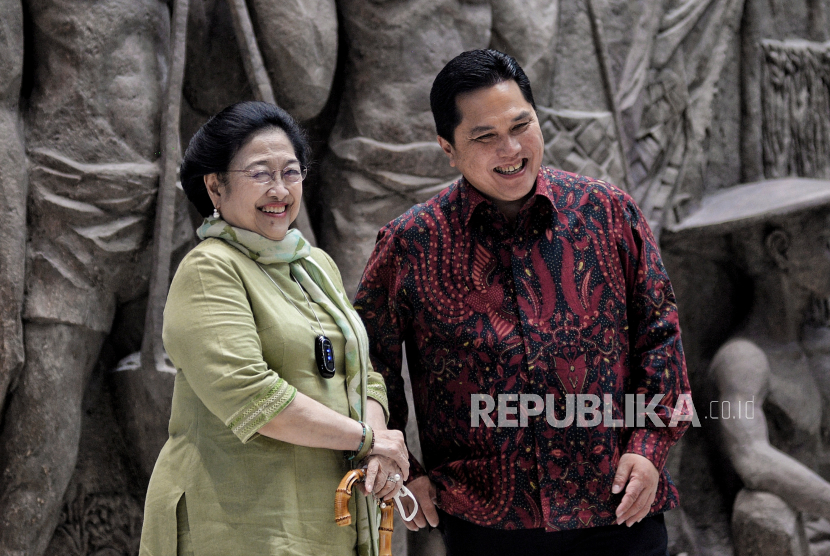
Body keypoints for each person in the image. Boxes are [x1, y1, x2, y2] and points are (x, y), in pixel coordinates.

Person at [354, 49, 692, 556]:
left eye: (521, 125)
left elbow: (661, 336)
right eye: (485, 137)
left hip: (619, 508)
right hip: (486, 522)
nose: (510, 149)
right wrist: (408, 470)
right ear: (448, 148)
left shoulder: (609, 213)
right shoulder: (410, 243)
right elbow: (368, 366)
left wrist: (649, 448)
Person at [139, 101, 408, 556]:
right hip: (240, 523)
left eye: (291, 172)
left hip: (327, 519)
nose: (280, 190)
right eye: (261, 173)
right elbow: (252, 396)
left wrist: (379, 444)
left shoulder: (315, 264)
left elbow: (362, 373)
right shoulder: (209, 269)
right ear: (215, 186)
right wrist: (365, 438)